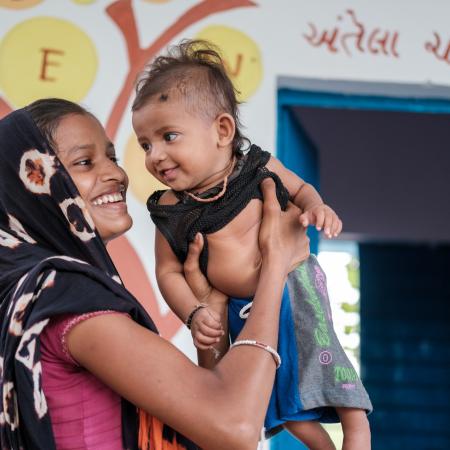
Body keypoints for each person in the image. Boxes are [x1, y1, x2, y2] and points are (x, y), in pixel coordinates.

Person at [0, 98, 310, 450]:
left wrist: (211, 314)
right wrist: (274, 265)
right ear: (32, 184)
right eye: (85, 162)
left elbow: (210, 426)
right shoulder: (65, 296)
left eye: (112, 158)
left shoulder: (24, 294)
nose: (117, 175)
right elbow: (235, 427)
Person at [134, 40, 372, 450]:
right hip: (242, 310)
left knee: (320, 360)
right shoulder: (171, 211)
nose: (156, 155)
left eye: (169, 136)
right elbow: (168, 271)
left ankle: (357, 430)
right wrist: (192, 313)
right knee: (275, 396)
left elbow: (302, 189)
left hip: (294, 285)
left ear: (222, 131)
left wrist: (318, 208)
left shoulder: (258, 167)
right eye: (145, 144)